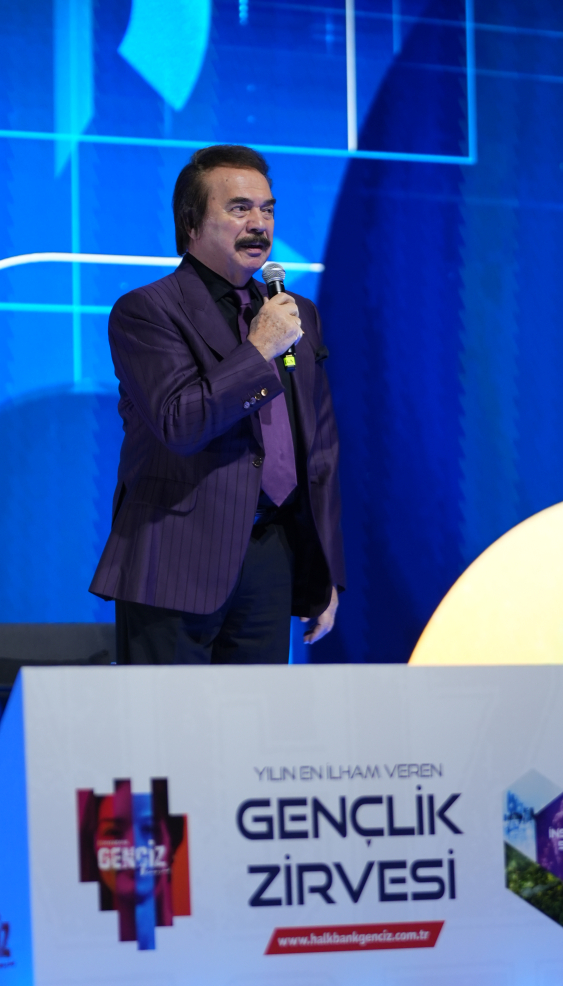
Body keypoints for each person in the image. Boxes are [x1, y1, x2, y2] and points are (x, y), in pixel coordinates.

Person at [90, 145, 345, 664]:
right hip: (176, 555)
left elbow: (319, 447)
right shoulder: (147, 311)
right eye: (239, 209)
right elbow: (180, 422)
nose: (259, 224)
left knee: (255, 715)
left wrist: (327, 571)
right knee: (167, 715)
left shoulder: (296, 313)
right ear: (191, 224)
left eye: (267, 209)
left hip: (272, 552)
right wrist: (258, 349)